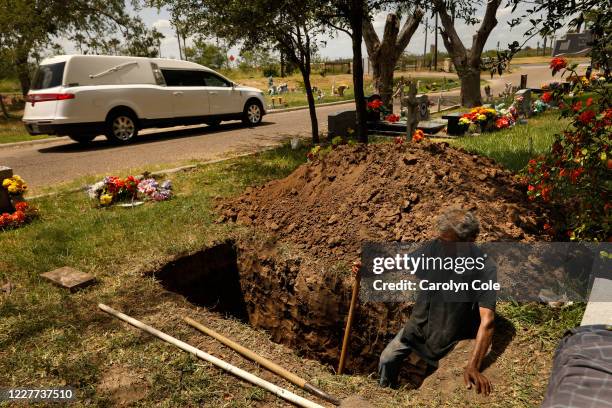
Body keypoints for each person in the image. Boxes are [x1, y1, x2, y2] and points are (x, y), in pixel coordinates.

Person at [378, 207, 496, 395]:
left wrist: (473, 365)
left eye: (447, 242)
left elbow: (487, 321)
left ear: (468, 242)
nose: (442, 244)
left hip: (447, 336)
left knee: (433, 384)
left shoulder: (484, 269)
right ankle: (383, 394)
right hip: (418, 325)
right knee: (387, 359)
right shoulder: (436, 247)